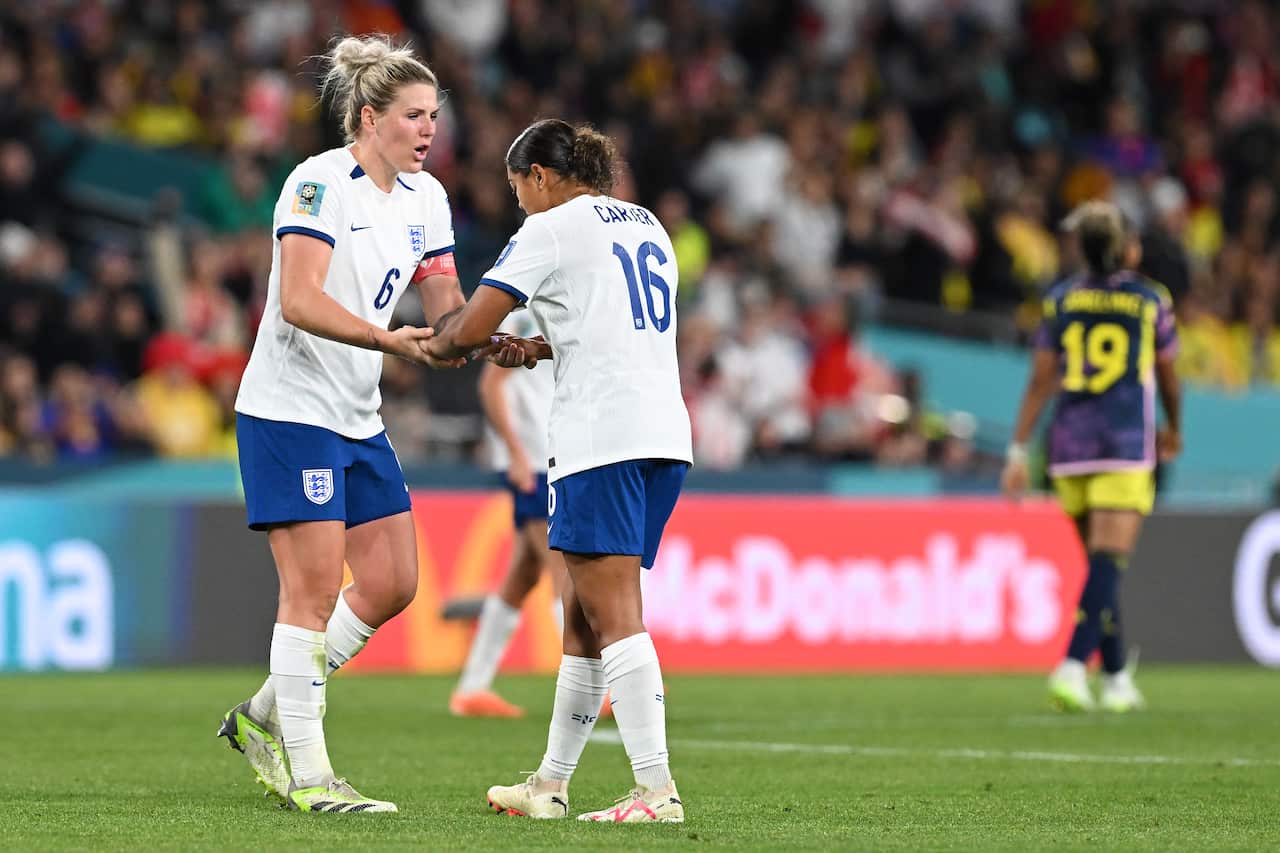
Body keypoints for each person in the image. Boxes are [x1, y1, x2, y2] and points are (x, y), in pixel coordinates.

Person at [215, 35, 466, 813]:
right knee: (314, 592)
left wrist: (502, 339)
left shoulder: (427, 199)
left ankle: (262, 712)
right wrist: (389, 340)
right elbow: (299, 298)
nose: (429, 130)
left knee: (393, 581)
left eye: (435, 116)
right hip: (291, 411)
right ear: (369, 118)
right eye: (414, 116)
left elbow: (445, 309)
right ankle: (311, 775)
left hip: (358, 415)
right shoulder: (319, 184)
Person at [423, 119, 692, 823]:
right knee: (581, 614)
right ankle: (549, 784)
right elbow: (617, 326)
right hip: (663, 433)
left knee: (617, 616)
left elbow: (470, 325)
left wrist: (438, 341)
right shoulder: (646, 224)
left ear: (540, 175)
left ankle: (656, 792)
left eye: (519, 191)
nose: (521, 207)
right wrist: (540, 348)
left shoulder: (551, 227)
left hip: (599, 438)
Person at [1002, 200, 1181, 714]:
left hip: (1070, 445)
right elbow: (1169, 375)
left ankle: (1119, 677)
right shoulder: (1151, 301)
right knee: (1108, 563)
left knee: (1099, 569)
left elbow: (1040, 381)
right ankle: (1074, 666)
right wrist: (1174, 427)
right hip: (1124, 443)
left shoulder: (1060, 301)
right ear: (1127, 247)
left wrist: (1017, 449)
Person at [449, 308, 567, 719]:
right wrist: (515, 453)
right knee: (560, 566)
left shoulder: (554, 310)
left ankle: (472, 689)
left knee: (525, 573)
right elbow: (491, 385)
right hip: (533, 460)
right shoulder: (521, 319)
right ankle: (597, 681)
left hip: (548, 456)